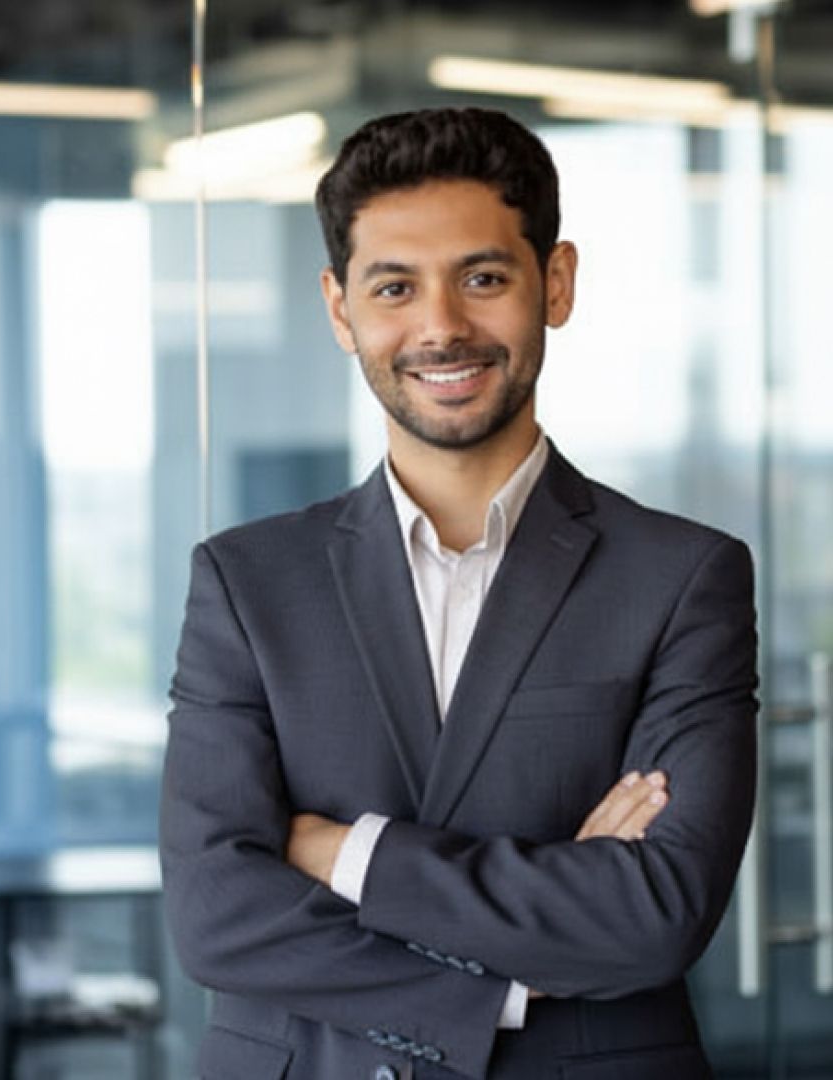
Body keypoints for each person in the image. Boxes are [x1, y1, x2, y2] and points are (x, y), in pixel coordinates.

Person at [160, 106, 758, 1080]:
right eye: (394, 286)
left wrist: (340, 854)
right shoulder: (245, 582)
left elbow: (655, 916)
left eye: (484, 278)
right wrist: (509, 985)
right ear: (340, 308)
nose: (441, 326)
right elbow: (215, 918)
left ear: (553, 284)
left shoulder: (683, 577)